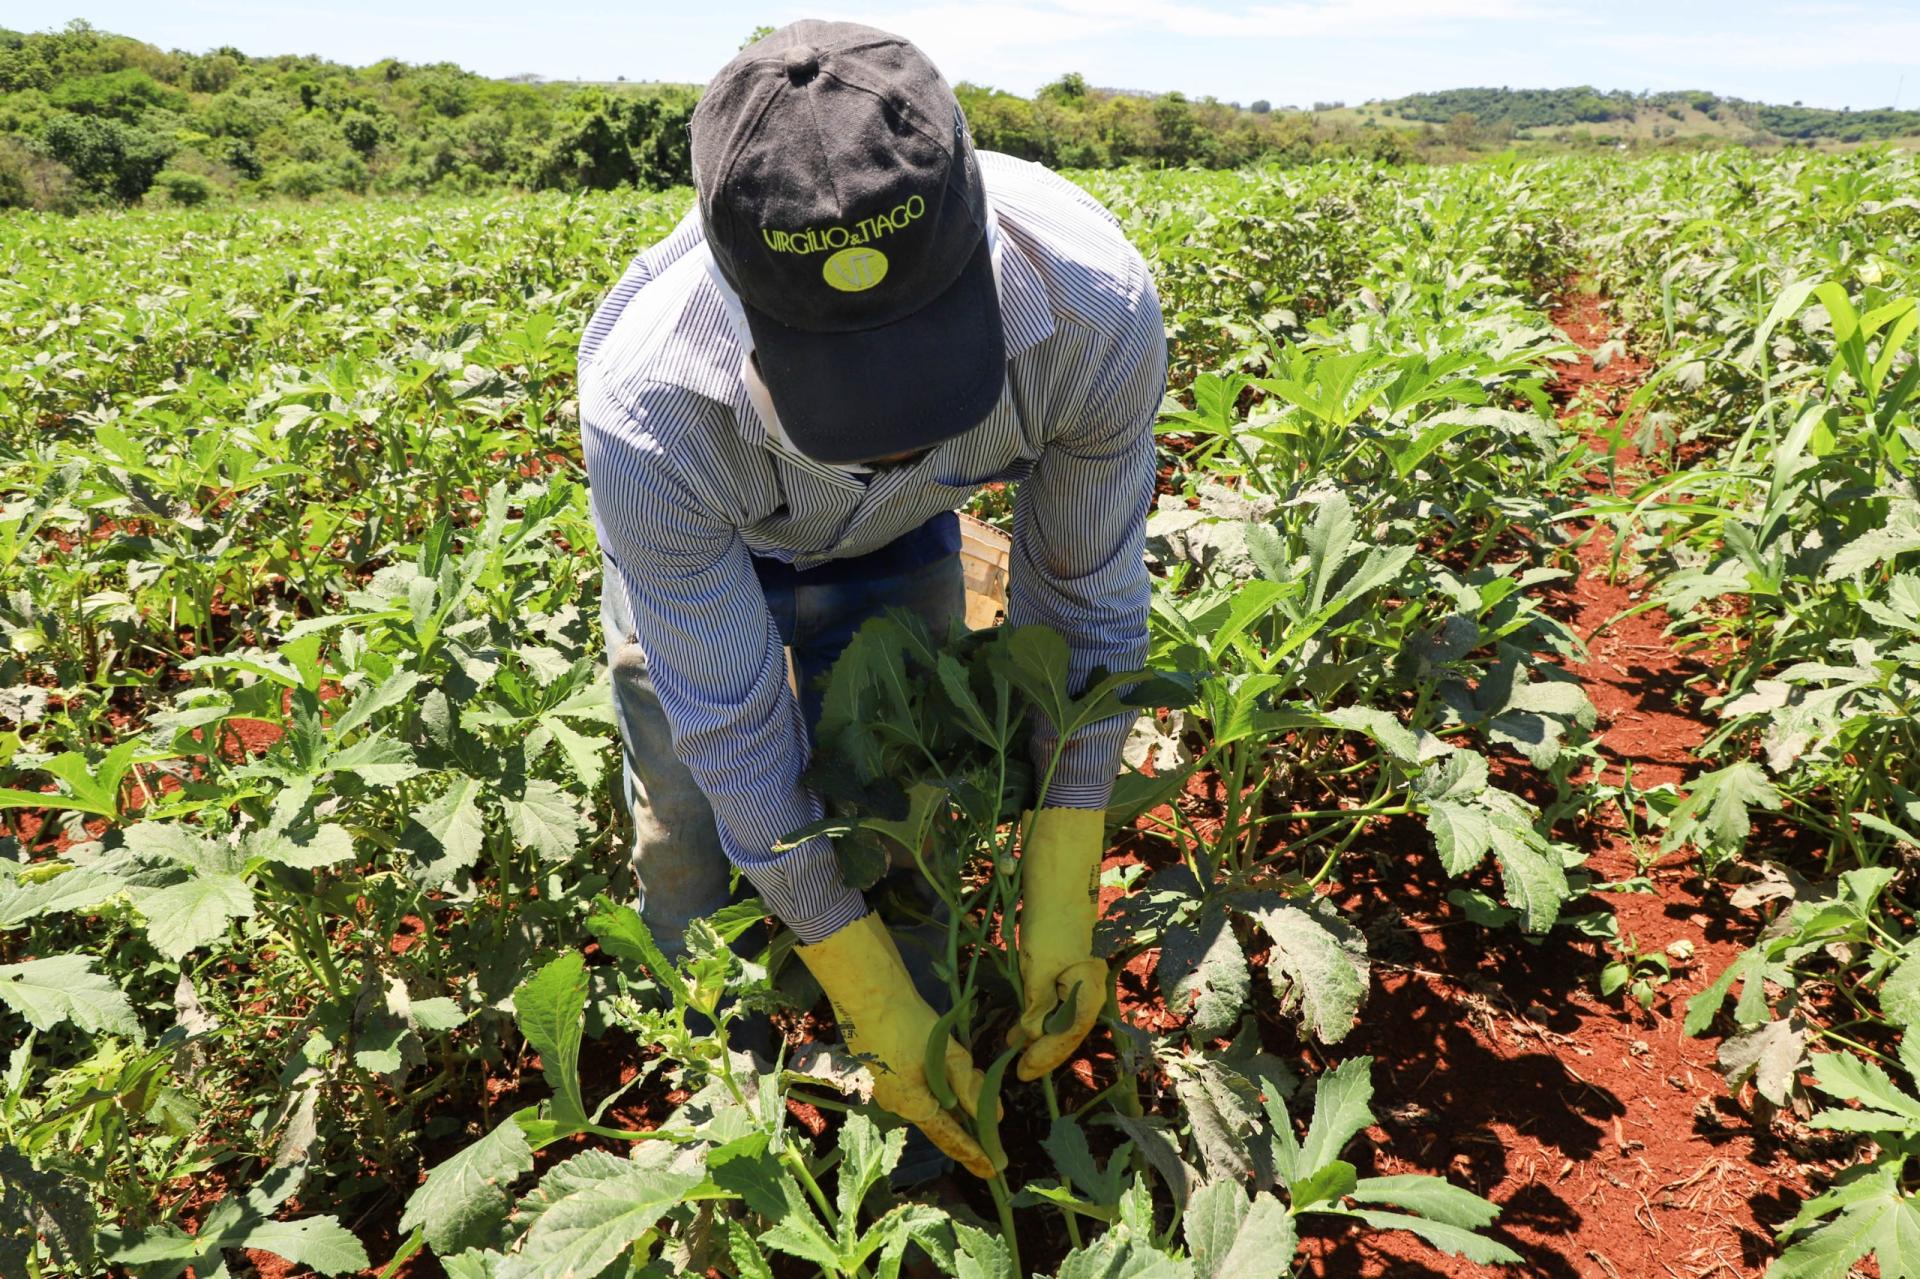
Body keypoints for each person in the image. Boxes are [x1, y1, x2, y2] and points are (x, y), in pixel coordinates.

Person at [577, 18, 1165, 1181]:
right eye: (849, 385)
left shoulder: (1093, 308)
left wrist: (1064, 855)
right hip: (710, 541)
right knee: (693, 829)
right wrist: (853, 978)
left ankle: (927, 1111)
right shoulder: (650, 404)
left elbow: (1085, 605)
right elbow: (736, 726)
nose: (895, 441)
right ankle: (726, 1093)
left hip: (902, 554)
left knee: (906, 811)